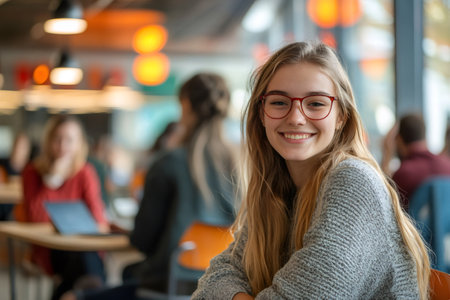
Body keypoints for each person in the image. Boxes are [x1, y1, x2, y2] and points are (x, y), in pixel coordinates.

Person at [192, 41, 430, 299]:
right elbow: (214, 280)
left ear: (341, 117)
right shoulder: (276, 188)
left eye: (316, 103)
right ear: (261, 114)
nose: (295, 117)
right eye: (279, 102)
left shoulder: (353, 182)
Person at [71, 73, 239, 300]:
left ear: (185, 104)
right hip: (221, 288)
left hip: (167, 285)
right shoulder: (242, 167)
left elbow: (142, 240)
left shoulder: (168, 162)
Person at [21, 114, 108, 300]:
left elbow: (99, 221)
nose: (62, 146)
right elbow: (37, 218)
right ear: (48, 141)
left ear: (79, 144)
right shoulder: (32, 173)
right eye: (57, 139)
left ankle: (73, 295)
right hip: (50, 249)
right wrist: (52, 179)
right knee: (87, 269)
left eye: (69, 140)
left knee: (83, 260)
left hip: (83, 247)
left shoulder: (85, 173)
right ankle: (81, 294)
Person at [381, 113, 450, 210]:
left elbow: (384, 207)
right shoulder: (447, 166)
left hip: (412, 225)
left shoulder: (403, 174)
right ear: (424, 136)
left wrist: (386, 155)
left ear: (399, 140)